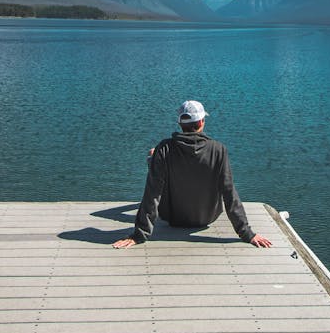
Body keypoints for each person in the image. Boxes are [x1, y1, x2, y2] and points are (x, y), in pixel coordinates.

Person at [113, 100, 273, 249]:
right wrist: (246, 233)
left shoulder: (164, 148)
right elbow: (229, 193)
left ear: (180, 123)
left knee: (153, 155)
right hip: (207, 218)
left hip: (172, 217)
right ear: (202, 122)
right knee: (164, 158)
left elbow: (152, 193)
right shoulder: (218, 150)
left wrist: (139, 235)